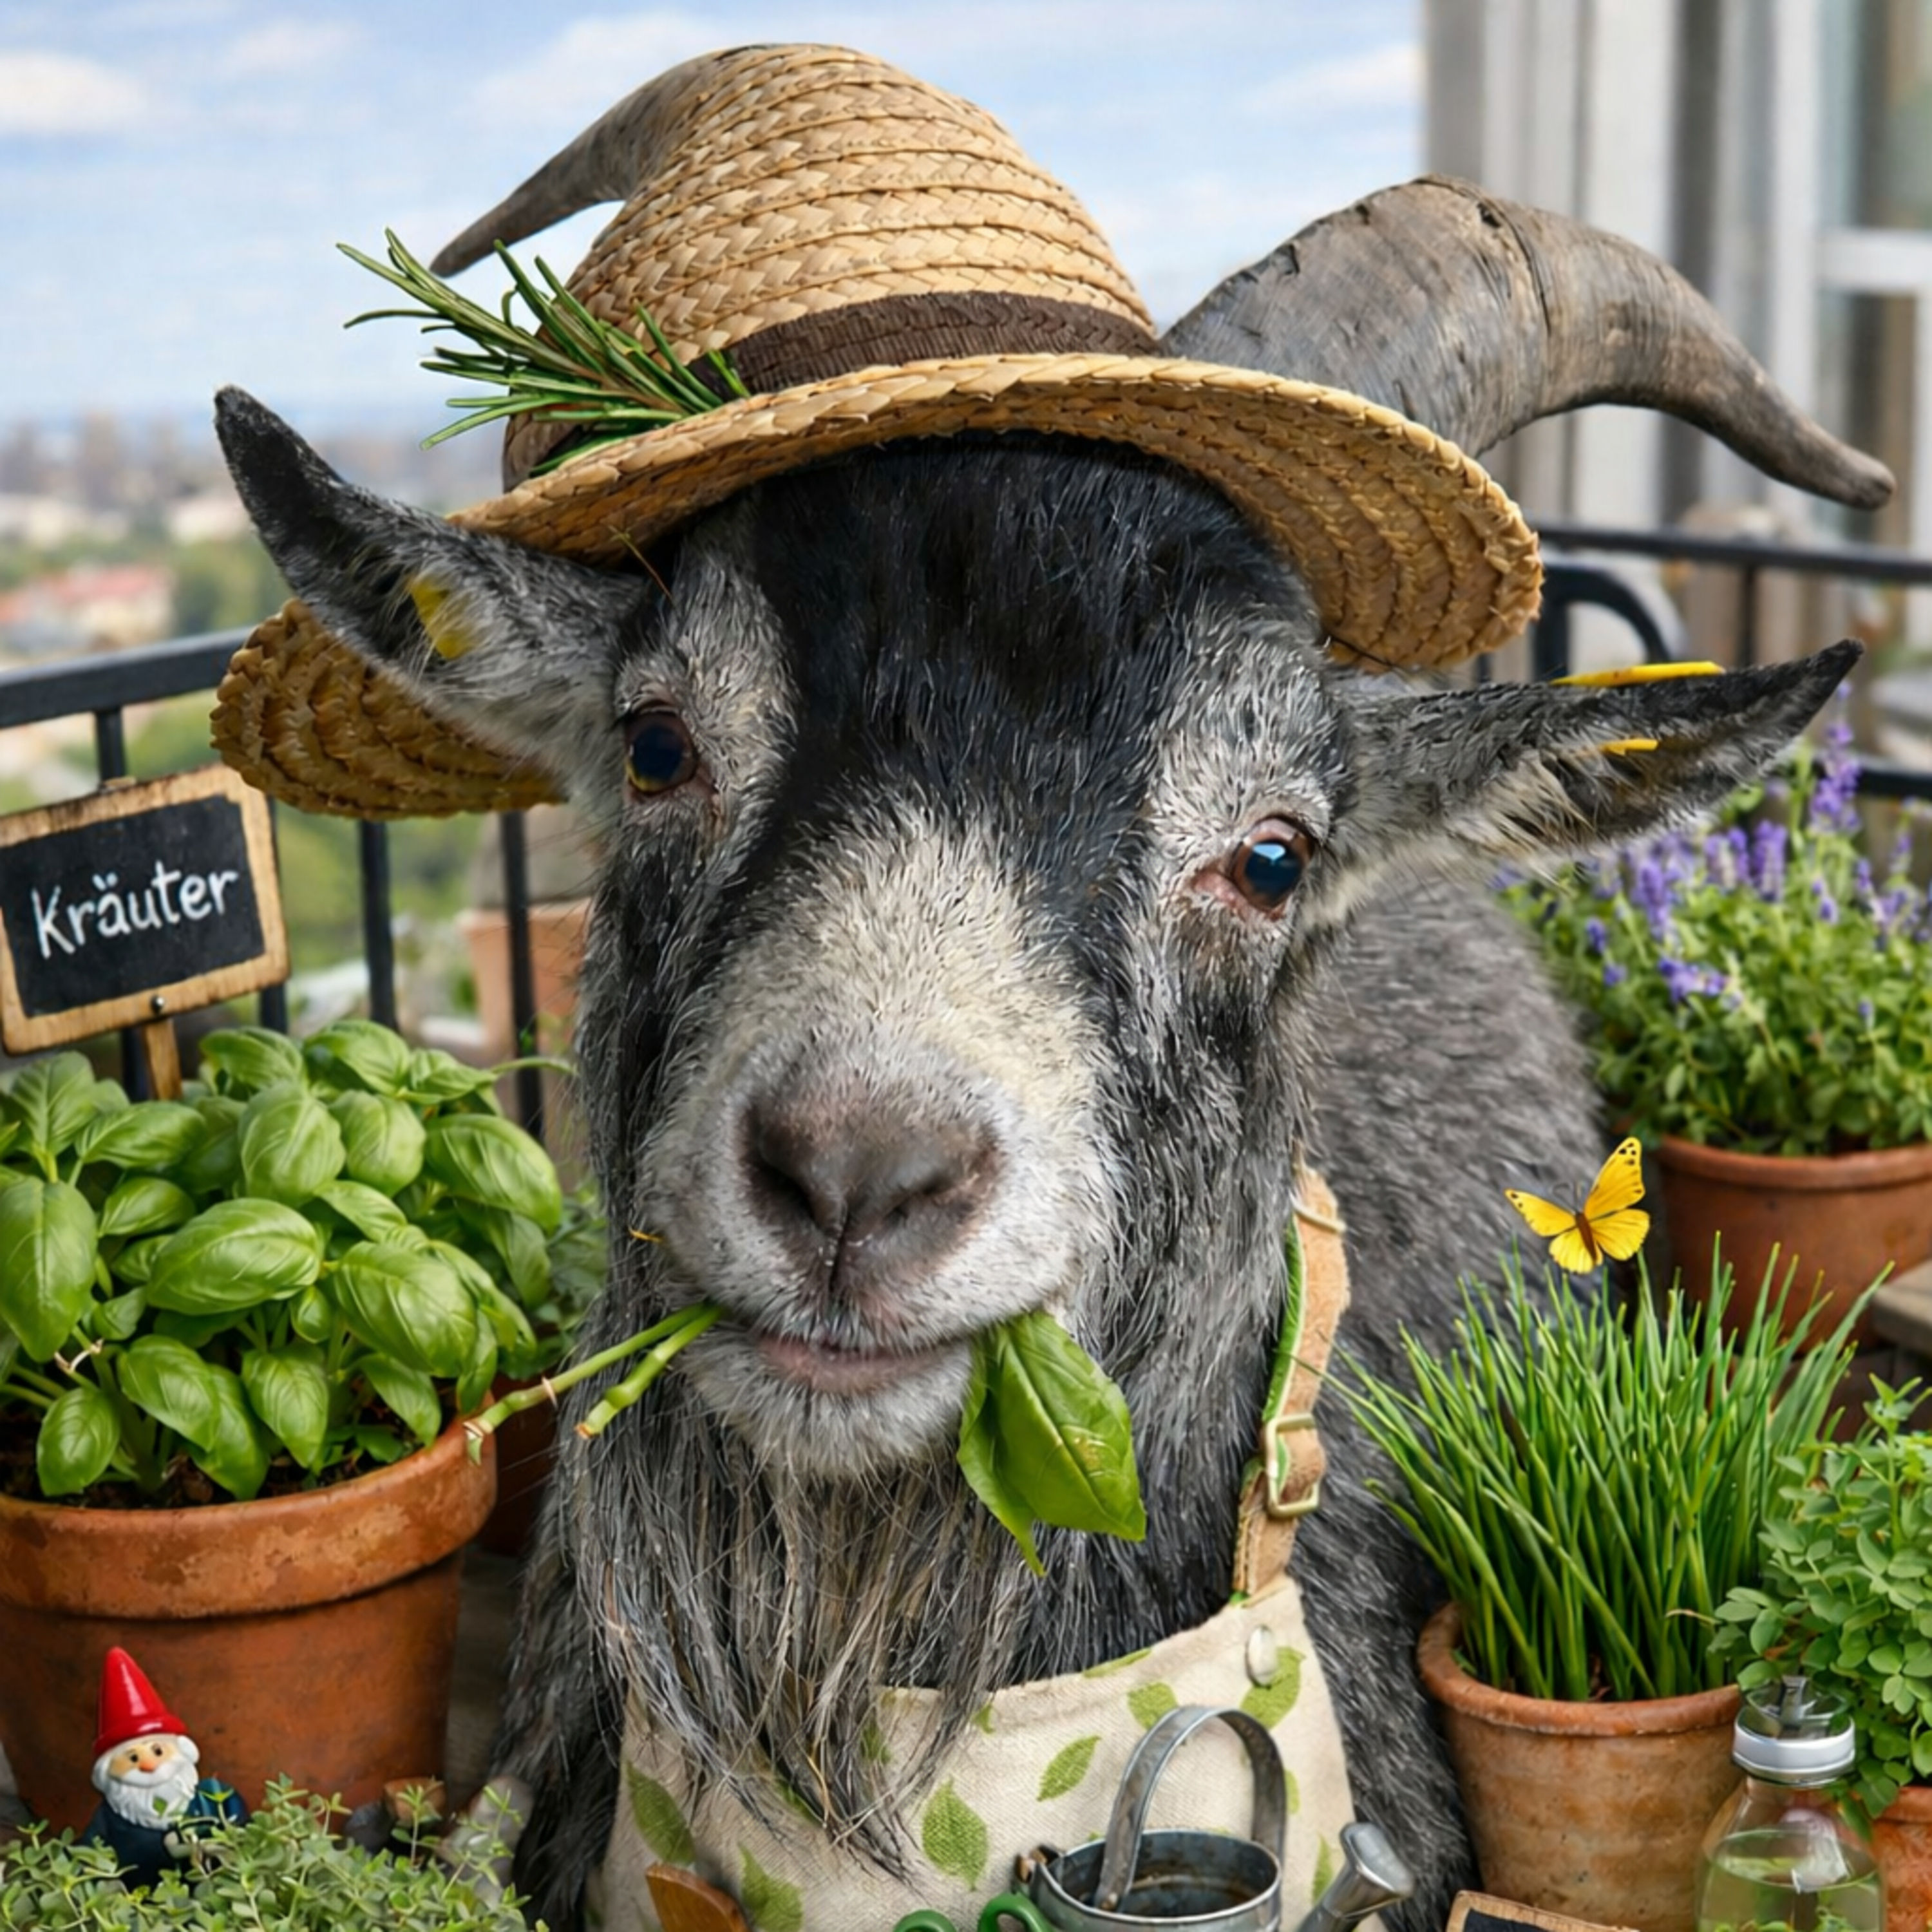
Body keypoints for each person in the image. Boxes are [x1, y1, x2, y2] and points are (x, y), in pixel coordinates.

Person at [78, 1648, 247, 1889]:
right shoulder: (109, 1820)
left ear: (182, 1752)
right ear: (108, 1772)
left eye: (158, 1752)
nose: (149, 1766)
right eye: (133, 1758)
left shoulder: (213, 1798)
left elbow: (241, 1828)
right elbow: (87, 1857)